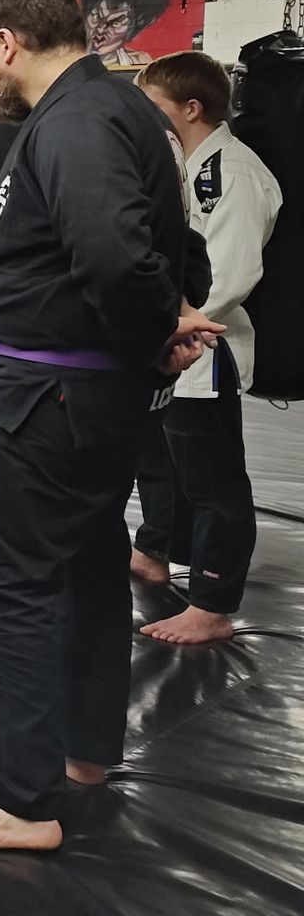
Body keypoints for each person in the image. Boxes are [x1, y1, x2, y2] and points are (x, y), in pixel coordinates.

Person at [0, 0, 221, 853]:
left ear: (7, 44)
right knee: (86, 568)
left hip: (51, 397)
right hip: (76, 391)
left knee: (7, 583)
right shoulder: (107, 110)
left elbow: (124, 262)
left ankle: (22, 800)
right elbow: (173, 249)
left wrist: (148, 333)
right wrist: (152, 330)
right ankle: (85, 750)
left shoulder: (83, 119)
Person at [131, 51, 282, 645]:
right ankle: (154, 550)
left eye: (154, 108)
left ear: (191, 108)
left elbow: (233, 271)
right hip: (168, 343)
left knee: (212, 479)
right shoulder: (188, 164)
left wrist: (173, 320)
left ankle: (214, 601)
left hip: (202, 348)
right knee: (160, 463)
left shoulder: (233, 172)